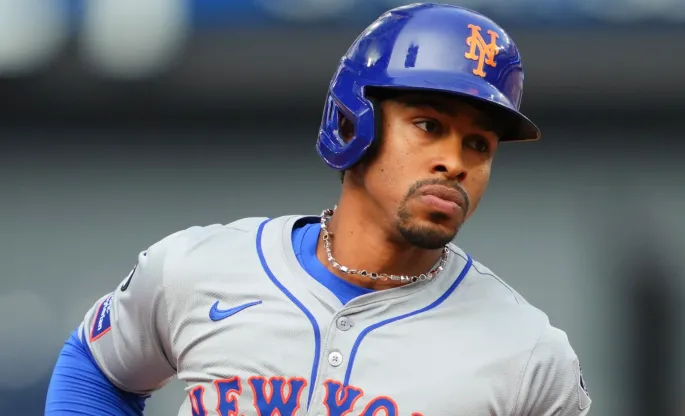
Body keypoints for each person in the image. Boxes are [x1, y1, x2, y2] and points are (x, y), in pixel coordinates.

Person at [45, 3, 592, 415]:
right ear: (355, 121)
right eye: (429, 126)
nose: (454, 162)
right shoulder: (198, 269)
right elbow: (97, 370)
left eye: (479, 145)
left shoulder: (527, 355)